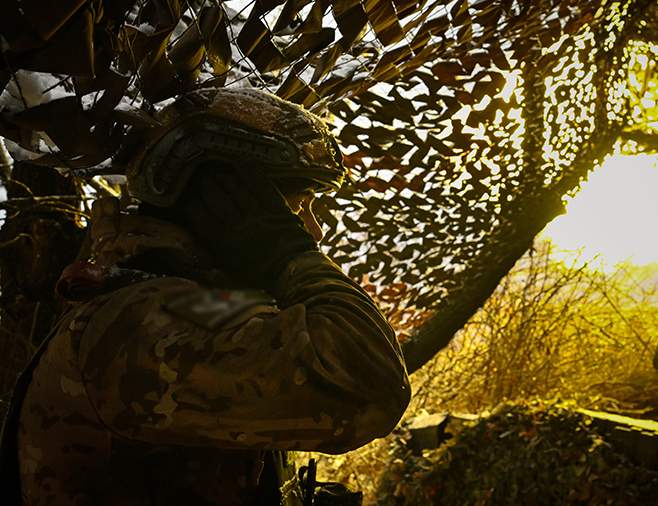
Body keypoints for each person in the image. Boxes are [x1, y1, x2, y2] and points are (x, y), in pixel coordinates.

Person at [2, 88, 410, 505]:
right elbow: (370, 384)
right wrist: (287, 251)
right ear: (224, 200)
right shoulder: (141, 319)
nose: (314, 230)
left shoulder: (189, 301)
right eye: (297, 207)